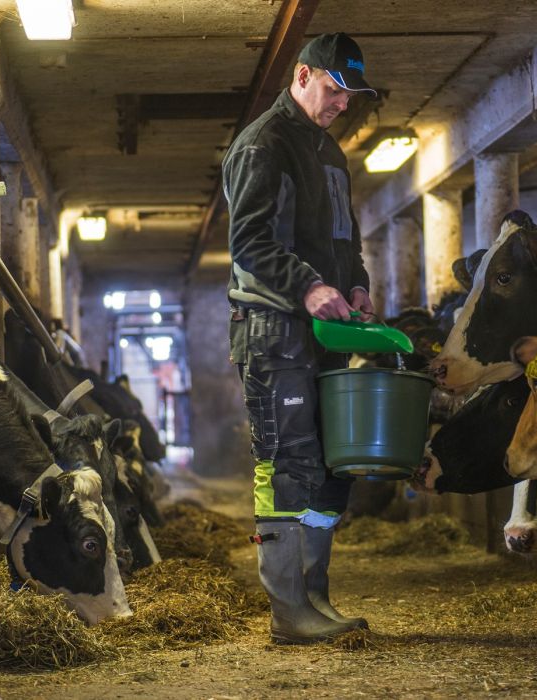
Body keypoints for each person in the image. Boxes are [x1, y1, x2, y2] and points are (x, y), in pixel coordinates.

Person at [222, 33, 377, 644]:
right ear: (304, 75)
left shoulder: (330, 153)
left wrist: (357, 283)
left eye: (351, 95)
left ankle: (315, 594)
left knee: (330, 466)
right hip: (273, 327)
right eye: (337, 91)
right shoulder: (264, 144)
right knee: (287, 465)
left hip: (325, 327)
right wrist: (310, 286)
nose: (344, 104)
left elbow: (347, 237)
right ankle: (288, 609)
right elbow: (250, 242)